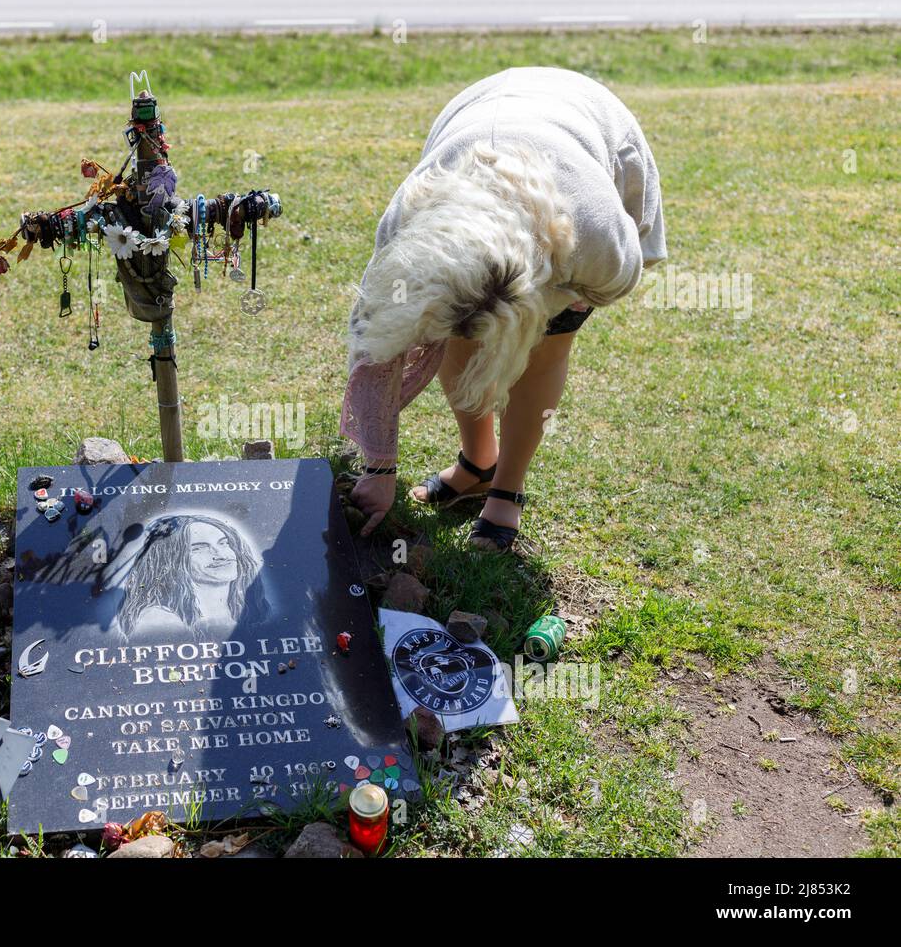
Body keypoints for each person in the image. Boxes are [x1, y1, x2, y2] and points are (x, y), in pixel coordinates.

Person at [341, 67, 666, 551]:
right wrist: (379, 466)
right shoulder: (407, 230)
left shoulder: (596, 234)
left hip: (587, 132)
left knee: (546, 351)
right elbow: (374, 352)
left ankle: (508, 486)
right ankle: (478, 464)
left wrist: (548, 311)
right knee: (459, 338)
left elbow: (621, 278)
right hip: (479, 111)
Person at [117, 515, 266, 638]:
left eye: (224, 543)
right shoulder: (161, 619)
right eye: (199, 548)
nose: (220, 555)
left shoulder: (247, 608)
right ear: (172, 560)